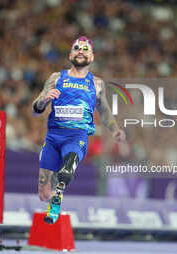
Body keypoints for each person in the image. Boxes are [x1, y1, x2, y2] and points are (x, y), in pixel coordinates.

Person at [32, 36, 125, 224]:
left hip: (77, 137)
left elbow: (105, 110)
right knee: (43, 192)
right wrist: (44, 99)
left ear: (92, 56)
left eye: (85, 49)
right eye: (76, 48)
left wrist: (115, 129)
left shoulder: (97, 84)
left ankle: (59, 193)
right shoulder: (56, 78)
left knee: (68, 166)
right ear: (70, 54)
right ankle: (52, 197)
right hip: (53, 137)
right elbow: (36, 109)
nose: (80, 51)